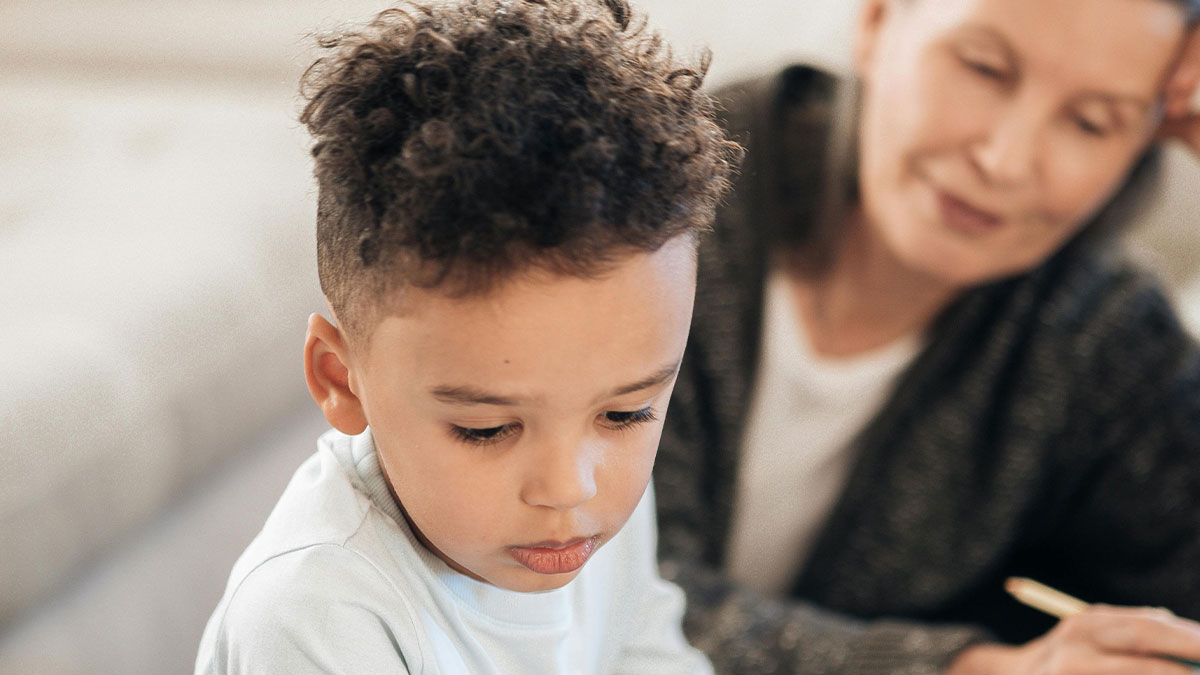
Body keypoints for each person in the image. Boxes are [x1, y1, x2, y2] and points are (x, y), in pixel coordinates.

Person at [653, 0, 1200, 673]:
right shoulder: (651, 206)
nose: (1004, 159)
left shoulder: (1102, 335)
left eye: (1091, 122)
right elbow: (588, 591)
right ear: (877, 22)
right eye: (983, 68)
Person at [194, 0, 740, 672]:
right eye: (486, 429)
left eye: (627, 412)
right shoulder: (314, 617)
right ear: (341, 379)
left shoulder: (585, 483)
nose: (567, 486)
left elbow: (643, 647)